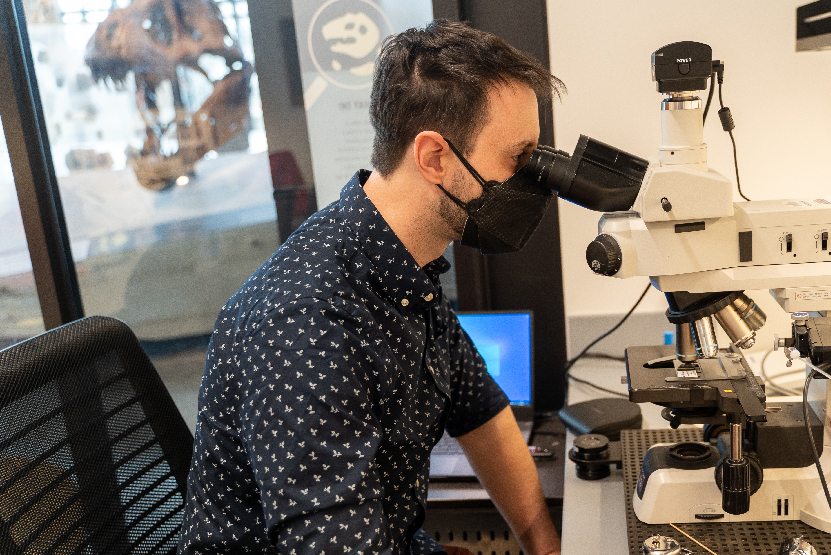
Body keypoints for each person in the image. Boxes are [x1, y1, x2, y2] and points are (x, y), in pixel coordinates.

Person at [179, 20, 564, 555]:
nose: (530, 180)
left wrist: (543, 544)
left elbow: (480, 410)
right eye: (517, 158)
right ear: (434, 158)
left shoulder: (406, 272)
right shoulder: (306, 323)